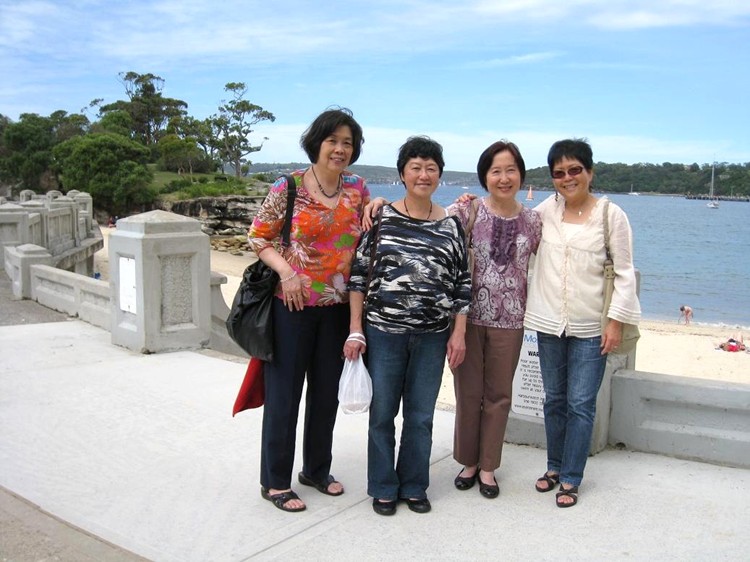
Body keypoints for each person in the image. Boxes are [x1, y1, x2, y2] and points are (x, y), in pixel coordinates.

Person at [247, 108, 369, 513]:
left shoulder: (358, 189)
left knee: (325, 395)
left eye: (347, 143)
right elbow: (258, 237)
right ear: (316, 142)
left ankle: (316, 470)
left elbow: (368, 232)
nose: (340, 149)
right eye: (333, 140)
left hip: (337, 308)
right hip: (292, 306)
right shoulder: (289, 186)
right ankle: (275, 482)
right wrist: (286, 273)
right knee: (284, 395)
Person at [344, 136, 471, 516]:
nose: (423, 175)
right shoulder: (381, 218)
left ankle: (414, 485)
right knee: (382, 414)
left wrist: (459, 332)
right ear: (402, 174)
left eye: (431, 168)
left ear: (439, 175)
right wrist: (355, 329)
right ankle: (384, 486)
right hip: (384, 333)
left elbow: (462, 284)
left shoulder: (451, 226)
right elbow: (358, 277)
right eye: (415, 167)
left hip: (433, 336)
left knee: (421, 416)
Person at [524, 139, 640, 508]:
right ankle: (554, 466)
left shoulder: (610, 215)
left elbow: (625, 274)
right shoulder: (546, 211)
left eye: (575, 170)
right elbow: (511, 221)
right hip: (549, 323)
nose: (567, 178)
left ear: (590, 172)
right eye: (559, 173)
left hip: (592, 326)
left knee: (580, 403)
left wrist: (615, 321)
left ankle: (571, 477)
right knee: (554, 400)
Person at [446, 141, 542, 499]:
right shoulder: (467, 210)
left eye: (510, 170)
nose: (504, 178)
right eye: (496, 171)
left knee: (499, 396)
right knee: (468, 393)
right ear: (485, 176)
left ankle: (488, 467)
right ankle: (468, 462)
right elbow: (429, 221)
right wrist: (378, 202)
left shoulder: (534, 221)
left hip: (512, 321)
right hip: (466, 318)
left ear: (521, 175)